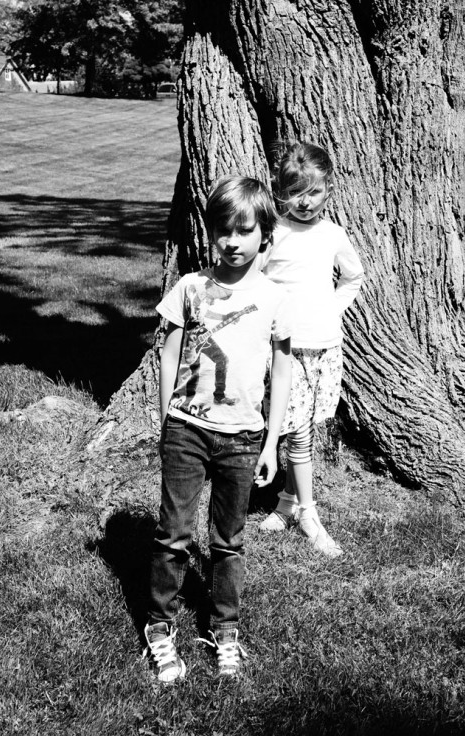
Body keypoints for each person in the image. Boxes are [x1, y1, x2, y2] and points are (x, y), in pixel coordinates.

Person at [145, 176, 292, 682]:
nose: (231, 240)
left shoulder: (274, 297)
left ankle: (225, 630)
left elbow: (283, 369)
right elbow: (167, 354)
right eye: (222, 230)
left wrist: (273, 442)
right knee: (174, 535)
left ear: (264, 235)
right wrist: (168, 417)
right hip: (186, 431)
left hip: (244, 437)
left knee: (229, 541)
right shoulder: (190, 287)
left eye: (243, 230)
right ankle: (160, 627)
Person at [259, 141, 364, 558]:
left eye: (314, 192)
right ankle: (309, 514)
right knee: (296, 429)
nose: (304, 202)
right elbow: (257, 280)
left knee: (306, 425)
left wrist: (330, 309)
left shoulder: (333, 234)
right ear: (279, 190)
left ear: (329, 191)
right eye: (295, 192)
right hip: (285, 349)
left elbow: (352, 277)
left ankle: (287, 504)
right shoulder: (274, 233)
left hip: (323, 345)